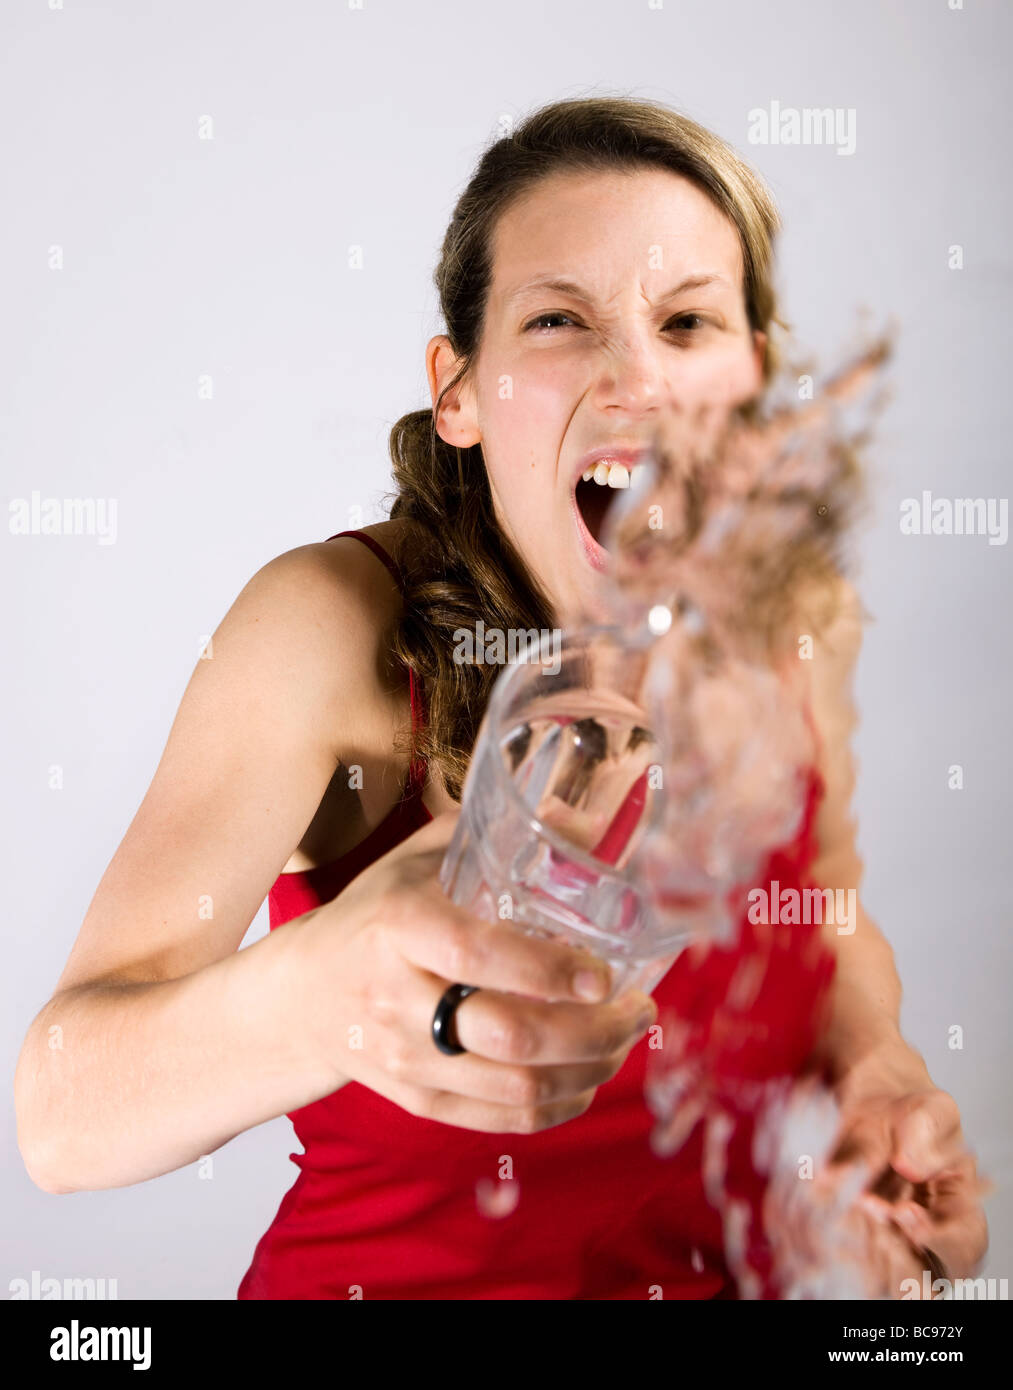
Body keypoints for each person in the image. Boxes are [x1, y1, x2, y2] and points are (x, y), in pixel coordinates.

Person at [14, 96, 987, 1299]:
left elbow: (815, 916)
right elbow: (61, 1116)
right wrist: (326, 993)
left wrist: (875, 1070)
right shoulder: (330, 628)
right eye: (559, 320)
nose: (637, 377)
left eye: (686, 321)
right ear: (458, 392)